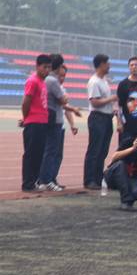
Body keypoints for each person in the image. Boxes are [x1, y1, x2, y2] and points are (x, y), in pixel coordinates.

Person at [39, 55, 81, 191]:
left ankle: (48, 178)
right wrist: (66, 99)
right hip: (54, 120)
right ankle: (46, 180)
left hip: (54, 120)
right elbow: (63, 100)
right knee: (51, 152)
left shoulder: (48, 80)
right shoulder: (52, 81)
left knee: (53, 152)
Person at [84, 54, 117, 190]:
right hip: (98, 118)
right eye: (107, 63)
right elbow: (94, 102)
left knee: (103, 150)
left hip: (106, 118)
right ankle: (89, 180)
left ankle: (97, 178)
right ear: (101, 64)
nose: (109, 66)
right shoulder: (94, 82)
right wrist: (111, 99)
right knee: (94, 150)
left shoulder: (104, 81)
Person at [20, 54, 52, 192]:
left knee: (38, 154)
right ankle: (27, 183)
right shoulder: (33, 81)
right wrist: (26, 118)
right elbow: (26, 102)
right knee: (31, 154)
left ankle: (33, 182)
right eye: (45, 67)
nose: (47, 70)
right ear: (37, 66)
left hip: (42, 122)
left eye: (49, 67)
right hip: (34, 123)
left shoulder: (42, 82)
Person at [103, 130, 137, 210]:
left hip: (131, 177)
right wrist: (133, 149)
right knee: (120, 165)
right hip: (112, 175)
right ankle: (126, 201)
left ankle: (128, 200)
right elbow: (114, 157)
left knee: (136, 193)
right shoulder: (128, 142)